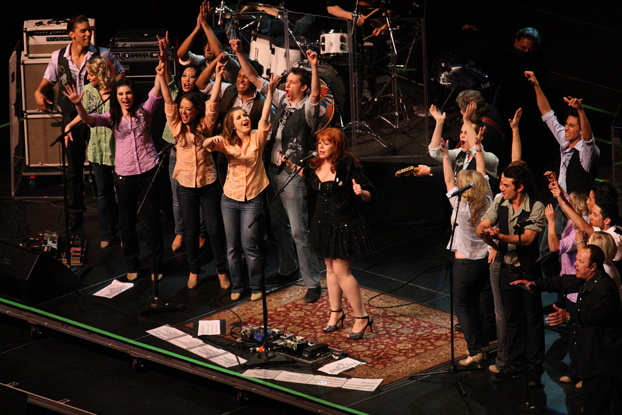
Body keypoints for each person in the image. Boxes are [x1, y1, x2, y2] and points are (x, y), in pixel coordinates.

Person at [234, 39, 323, 303]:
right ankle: (288, 268)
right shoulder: (282, 98)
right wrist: (238, 52)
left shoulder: (308, 107)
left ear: (303, 86)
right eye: (288, 82)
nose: (287, 85)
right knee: (278, 225)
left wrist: (315, 67)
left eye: (293, 82)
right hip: (271, 171)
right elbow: (253, 76)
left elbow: (317, 95)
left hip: (293, 176)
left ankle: (313, 281)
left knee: (298, 230)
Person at [63, 61, 164, 282]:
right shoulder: (112, 117)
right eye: (121, 94)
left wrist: (161, 67)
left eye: (128, 93)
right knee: (126, 223)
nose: (125, 97)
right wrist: (78, 105)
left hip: (148, 170)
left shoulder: (143, 112)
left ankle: (156, 264)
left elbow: (156, 94)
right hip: (125, 174)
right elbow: (90, 120)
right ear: (116, 97)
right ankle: (133, 264)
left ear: (132, 95)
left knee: (153, 220)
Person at [34, 15, 125, 231]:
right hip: (73, 119)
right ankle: (75, 216)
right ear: (71, 34)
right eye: (83, 31)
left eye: (89, 30)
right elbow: (47, 82)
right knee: (74, 170)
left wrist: (107, 87)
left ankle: (112, 220)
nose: (87, 34)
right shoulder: (59, 57)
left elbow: (121, 75)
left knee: (104, 168)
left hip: (98, 118)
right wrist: (38, 93)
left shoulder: (102, 54)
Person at [284, 128, 375, 339]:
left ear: (337, 146)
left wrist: (362, 193)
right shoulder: (315, 164)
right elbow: (306, 173)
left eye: (326, 143)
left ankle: (361, 317)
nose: (321, 147)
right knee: (330, 269)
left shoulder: (348, 165)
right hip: (324, 224)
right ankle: (336, 312)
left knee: (342, 271)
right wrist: (290, 166)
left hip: (344, 224)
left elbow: (371, 193)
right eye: (319, 143)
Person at [512, 245, 622, 415]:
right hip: (591, 359)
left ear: (593, 266)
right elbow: (563, 281)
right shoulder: (587, 279)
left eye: (580, 261)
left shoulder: (604, 288)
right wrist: (535, 284)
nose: (576, 264)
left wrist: (569, 316)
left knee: (597, 407)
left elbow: (597, 315)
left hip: (601, 362)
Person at [157, 41, 230, 291]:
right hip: (186, 185)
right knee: (190, 231)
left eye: (188, 109)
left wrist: (219, 76)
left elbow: (213, 104)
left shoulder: (206, 125)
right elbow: (169, 105)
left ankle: (221, 271)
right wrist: (163, 80)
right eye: (182, 109)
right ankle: (194, 270)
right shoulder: (177, 128)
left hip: (208, 183)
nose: (184, 112)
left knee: (213, 229)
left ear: (196, 111)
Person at [202, 74, 277, 301]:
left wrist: (270, 92)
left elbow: (264, 118)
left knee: (249, 245)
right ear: (232, 125)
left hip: (252, 198)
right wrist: (211, 141)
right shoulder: (226, 141)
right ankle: (237, 285)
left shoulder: (257, 138)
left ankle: (256, 286)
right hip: (229, 198)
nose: (245, 118)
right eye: (239, 117)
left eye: (245, 115)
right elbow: (206, 145)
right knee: (232, 246)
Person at [476, 163, 547, 386]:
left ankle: (533, 369)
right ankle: (514, 364)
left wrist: (500, 237)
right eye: (501, 183)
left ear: (520, 187)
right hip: (506, 271)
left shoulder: (535, 206)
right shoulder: (500, 201)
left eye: (506, 184)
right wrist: (485, 232)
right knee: (512, 321)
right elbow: (485, 223)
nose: (501, 187)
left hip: (527, 272)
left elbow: (527, 239)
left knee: (532, 321)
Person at [439, 124, 492, 366]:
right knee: (475, 303)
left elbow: (448, 179)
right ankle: (483, 343)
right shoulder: (488, 200)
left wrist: (444, 157)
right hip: (482, 261)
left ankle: (475, 350)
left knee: (462, 307)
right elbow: (481, 170)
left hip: (464, 263)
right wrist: (477, 146)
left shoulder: (460, 207)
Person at [63, 56, 118, 248]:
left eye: (92, 74)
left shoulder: (118, 89)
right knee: (103, 193)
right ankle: (107, 234)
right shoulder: (87, 90)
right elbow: (83, 114)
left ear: (102, 74)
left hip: (118, 149)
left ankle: (123, 234)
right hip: (97, 150)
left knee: (121, 194)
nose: (87, 78)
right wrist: (69, 125)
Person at [525, 71, 599, 195]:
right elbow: (547, 113)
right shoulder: (565, 140)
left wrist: (580, 110)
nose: (566, 128)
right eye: (566, 124)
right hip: (561, 204)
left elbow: (587, 137)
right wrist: (536, 85)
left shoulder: (586, 152)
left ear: (580, 130)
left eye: (571, 126)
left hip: (579, 210)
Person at [422, 102, 499, 179]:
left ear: (479, 137)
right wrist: (439, 123)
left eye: (467, 133)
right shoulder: (459, 153)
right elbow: (435, 153)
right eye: (461, 132)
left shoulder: (491, 159)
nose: (462, 135)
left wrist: (467, 121)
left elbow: (476, 151)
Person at [178, 0, 239, 83]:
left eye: (210, 45)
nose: (207, 48)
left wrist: (205, 24)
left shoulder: (231, 63)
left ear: (224, 46)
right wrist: (198, 28)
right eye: (204, 44)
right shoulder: (202, 61)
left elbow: (220, 54)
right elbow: (181, 54)